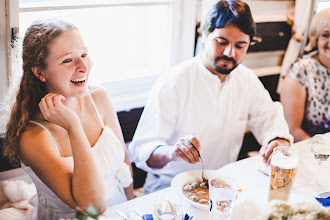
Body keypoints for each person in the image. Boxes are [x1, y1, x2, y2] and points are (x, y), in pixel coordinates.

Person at [128, 0, 293, 194]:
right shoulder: (174, 82)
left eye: (240, 45)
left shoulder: (246, 79)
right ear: (204, 35)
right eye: (222, 42)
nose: (230, 52)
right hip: (169, 189)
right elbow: (142, 150)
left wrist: (277, 140)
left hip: (221, 186)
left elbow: (268, 116)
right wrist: (171, 153)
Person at [2, 19, 133, 220]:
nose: (83, 67)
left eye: (84, 54)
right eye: (67, 60)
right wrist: (74, 127)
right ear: (40, 72)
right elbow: (92, 206)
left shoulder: (99, 97)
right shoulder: (32, 135)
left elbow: (124, 163)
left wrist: (131, 208)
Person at [281, 8, 330, 142]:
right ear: (316, 38)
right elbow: (292, 130)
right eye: (326, 35)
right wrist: (323, 152)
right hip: (311, 151)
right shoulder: (300, 71)